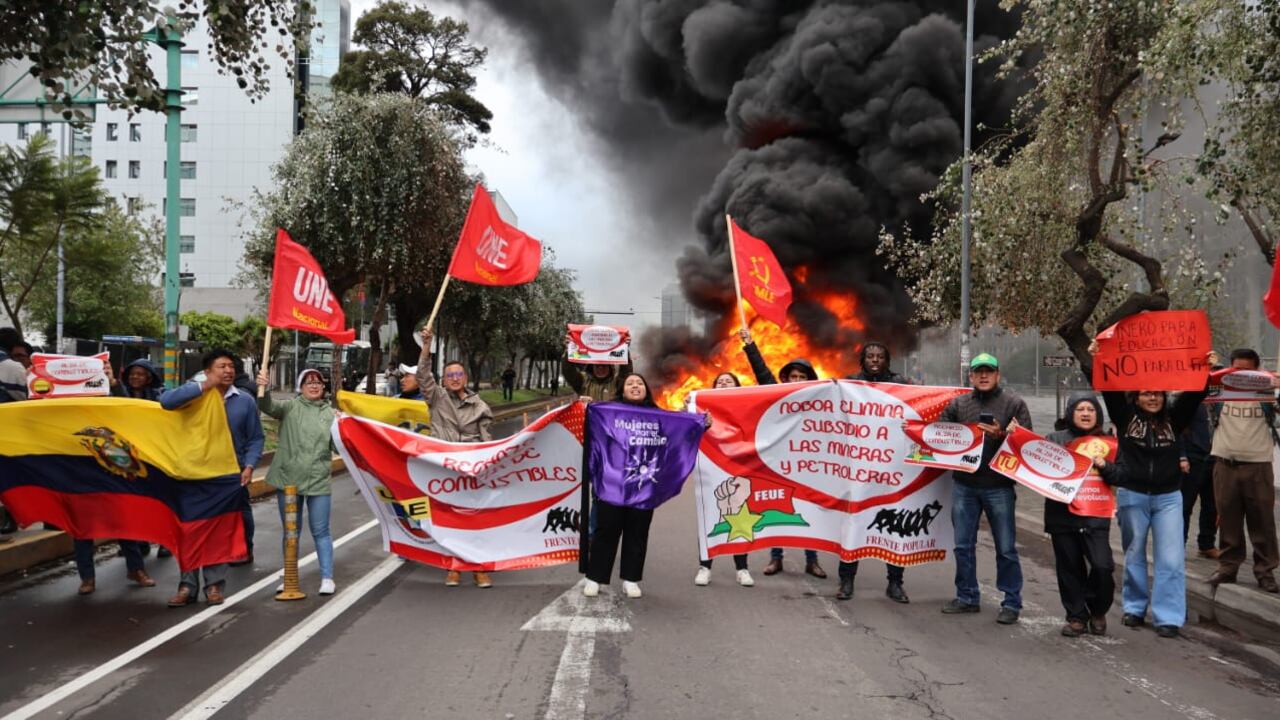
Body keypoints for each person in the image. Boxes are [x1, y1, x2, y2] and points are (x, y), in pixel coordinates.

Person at [1097, 347, 1211, 638]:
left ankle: (1168, 616)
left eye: (1157, 394)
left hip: (1169, 497)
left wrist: (1206, 368)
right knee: (1134, 554)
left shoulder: (1175, 420)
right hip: (1132, 495)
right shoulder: (1125, 419)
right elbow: (1108, 387)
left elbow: (1195, 392)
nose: (1152, 398)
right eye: (1146, 393)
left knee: (1171, 559)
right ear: (1136, 396)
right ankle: (1134, 608)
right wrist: (1099, 357)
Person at [160, 349, 265, 607]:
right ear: (208, 371)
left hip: (227, 476)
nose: (228, 371)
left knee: (218, 531)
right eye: (221, 366)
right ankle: (187, 585)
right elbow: (166, 402)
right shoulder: (193, 394)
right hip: (191, 474)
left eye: (231, 366)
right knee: (189, 530)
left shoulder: (244, 401)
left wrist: (250, 466)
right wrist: (205, 386)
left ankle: (214, 586)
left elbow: (256, 438)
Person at [939, 353, 1032, 625]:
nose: (983, 376)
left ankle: (1011, 602)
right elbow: (940, 432)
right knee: (963, 545)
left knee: (1005, 548)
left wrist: (1001, 434)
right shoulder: (959, 403)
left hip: (999, 487)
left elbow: (1027, 444)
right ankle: (967, 596)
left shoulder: (1014, 404)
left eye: (988, 371)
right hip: (964, 485)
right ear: (970, 377)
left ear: (997, 375)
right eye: (978, 371)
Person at [69, 358, 167, 593]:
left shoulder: (121, 396)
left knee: (123, 518)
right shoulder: (76, 401)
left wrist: (113, 383)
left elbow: (124, 407)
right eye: (132, 373)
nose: (136, 377)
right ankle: (87, 578)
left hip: (119, 467)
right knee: (83, 525)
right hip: (84, 469)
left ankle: (136, 568)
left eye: (141, 374)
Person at [742, 328, 826, 579]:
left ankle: (812, 560)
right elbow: (762, 372)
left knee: (810, 511)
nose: (797, 380)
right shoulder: (776, 394)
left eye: (802, 376)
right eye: (793, 376)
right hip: (779, 463)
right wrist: (749, 345)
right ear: (786, 379)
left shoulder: (822, 400)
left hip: (809, 465)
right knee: (776, 507)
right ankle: (775, 558)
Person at [417, 328, 495, 588]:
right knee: (449, 517)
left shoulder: (480, 406)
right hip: (445, 468)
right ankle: (453, 567)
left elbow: (487, 440)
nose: (454, 378)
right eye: (449, 375)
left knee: (475, 519)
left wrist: (490, 465)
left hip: (472, 469)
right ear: (444, 379)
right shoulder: (436, 397)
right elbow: (422, 376)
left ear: (466, 377)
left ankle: (479, 568)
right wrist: (426, 345)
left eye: (458, 374)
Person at [256, 367, 339, 596]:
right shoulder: (290, 407)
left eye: (318, 382)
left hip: (318, 480)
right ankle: (290, 575)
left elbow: (338, 447)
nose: (314, 386)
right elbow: (267, 406)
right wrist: (262, 387)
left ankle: (327, 577)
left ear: (323, 388)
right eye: (308, 382)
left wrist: (344, 428)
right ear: (300, 387)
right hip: (289, 480)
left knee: (321, 530)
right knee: (291, 531)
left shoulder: (331, 415)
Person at [839, 341, 909, 603]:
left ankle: (895, 583)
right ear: (863, 360)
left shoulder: (903, 384)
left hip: (892, 467)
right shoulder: (850, 384)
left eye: (880, 356)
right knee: (853, 525)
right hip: (858, 468)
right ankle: (846, 580)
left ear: (887, 360)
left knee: (894, 526)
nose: (875, 360)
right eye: (870, 356)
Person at [1206, 348, 1280, 594]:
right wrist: (1205, 365)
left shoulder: (1268, 393)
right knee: (1228, 519)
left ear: (1257, 371)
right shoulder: (1219, 391)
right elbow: (1193, 386)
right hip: (1225, 464)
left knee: (1263, 521)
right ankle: (1228, 567)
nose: (1242, 375)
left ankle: (1265, 571)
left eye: (1247, 371)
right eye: (1236, 370)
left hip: (1258, 465)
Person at [584, 372, 663, 599]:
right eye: (630, 383)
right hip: (613, 484)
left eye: (640, 383)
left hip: (644, 485)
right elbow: (592, 430)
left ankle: (631, 579)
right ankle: (595, 577)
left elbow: (679, 435)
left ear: (646, 389)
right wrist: (587, 409)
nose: (635, 386)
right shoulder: (609, 412)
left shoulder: (659, 415)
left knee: (637, 532)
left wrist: (699, 422)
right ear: (623, 389)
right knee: (605, 530)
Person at [1045, 395, 1118, 637]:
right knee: (1069, 568)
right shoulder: (1055, 440)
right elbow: (1038, 468)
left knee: (1102, 566)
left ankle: (1097, 609)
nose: (1085, 413)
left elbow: (1123, 475)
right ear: (1070, 413)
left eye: (1090, 409)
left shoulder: (1110, 443)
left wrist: (1106, 467)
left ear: (1098, 413)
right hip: (1061, 514)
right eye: (1080, 409)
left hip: (1095, 514)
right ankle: (1076, 616)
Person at [693, 371, 754, 588]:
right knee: (709, 516)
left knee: (741, 518)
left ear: (737, 385)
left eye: (729, 381)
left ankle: (742, 568)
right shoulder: (703, 406)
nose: (724, 383)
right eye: (720, 381)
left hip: (737, 467)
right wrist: (690, 409)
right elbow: (690, 429)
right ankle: (705, 567)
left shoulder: (745, 406)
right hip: (710, 467)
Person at [1179, 404, 1218, 559]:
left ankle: (1207, 544)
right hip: (1192, 456)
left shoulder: (1221, 399)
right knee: (1185, 505)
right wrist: (1181, 455)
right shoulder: (1190, 398)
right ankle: (1178, 544)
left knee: (1212, 505)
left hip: (1216, 455)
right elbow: (1178, 429)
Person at [0, 327, 28, 402]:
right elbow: (26, 397)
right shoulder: (13, 367)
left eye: (21, 356)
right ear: (14, 346)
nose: (17, 359)